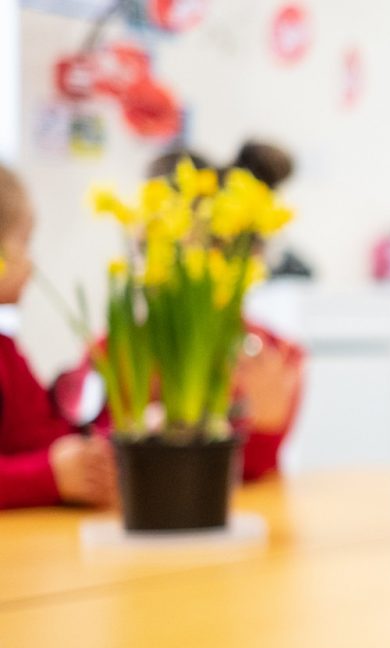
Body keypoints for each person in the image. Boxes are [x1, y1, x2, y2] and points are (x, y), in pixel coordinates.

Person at [54, 142, 305, 481]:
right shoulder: (113, 352)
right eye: (156, 247)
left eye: (200, 248)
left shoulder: (274, 357)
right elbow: (88, 452)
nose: (177, 268)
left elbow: (255, 472)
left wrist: (264, 426)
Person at [0, 163, 117, 509]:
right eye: (23, 242)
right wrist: (47, 477)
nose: (31, 263)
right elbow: (47, 462)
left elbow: (42, 437)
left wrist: (114, 439)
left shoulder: (6, 353)